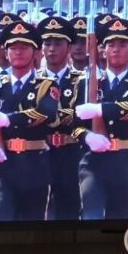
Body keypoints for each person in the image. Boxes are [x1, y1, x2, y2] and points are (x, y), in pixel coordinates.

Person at [0, 19, 61, 221]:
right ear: (6, 53)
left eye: (24, 47)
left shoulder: (46, 85)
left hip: (35, 163)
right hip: (2, 163)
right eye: (13, 48)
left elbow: (47, 113)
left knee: (32, 220)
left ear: (35, 52)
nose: (18, 52)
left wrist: (8, 120)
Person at [73, 18, 128, 220]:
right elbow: (74, 124)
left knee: (123, 220)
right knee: (92, 216)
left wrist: (100, 109)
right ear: (103, 51)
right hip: (93, 164)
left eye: (123, 45)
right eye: (111, 44)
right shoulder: (87, 83)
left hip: (126, 162)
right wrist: (86, 136)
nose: (116, 49)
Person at [36, 15, 87, 221]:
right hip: (39, 153)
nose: (51, 49)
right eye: (47, 43)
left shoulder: (82, 81)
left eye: (58, 44)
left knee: (69, 209)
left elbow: (80, 116)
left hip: (71, 153)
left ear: (69, 47)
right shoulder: (33, 80)